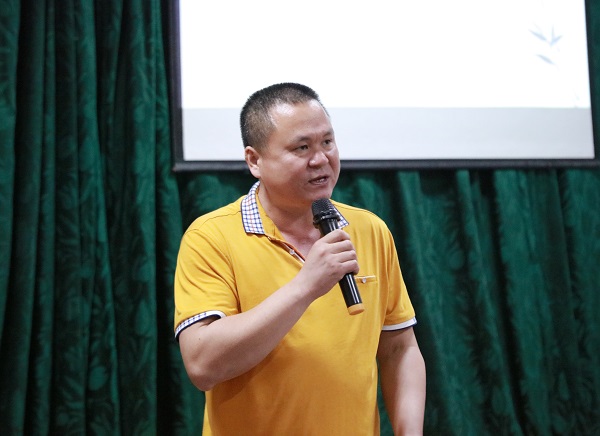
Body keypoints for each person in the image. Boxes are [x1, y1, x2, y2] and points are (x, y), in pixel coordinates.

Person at [174, 83, 426, 435]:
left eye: (328, 142)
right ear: (255, 160)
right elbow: (203, 366)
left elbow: (399, 348)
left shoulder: (370, 230)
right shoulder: (210, 237)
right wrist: (306, 286)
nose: (321, 159)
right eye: (302, 147)